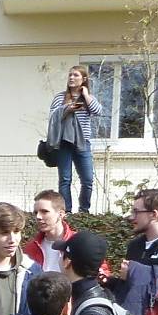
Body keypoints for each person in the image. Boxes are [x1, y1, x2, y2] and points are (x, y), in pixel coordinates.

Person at [46, 65, 103, 215]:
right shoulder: (60, 97)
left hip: (83, 142)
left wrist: (86, 94)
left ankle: (84, 211)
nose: (71, 78)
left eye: (76, 75)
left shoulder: (88, 98)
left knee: (88, 179)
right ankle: (67, 211)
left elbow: (98, 111)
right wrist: (67, 109)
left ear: (83, 79)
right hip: (64, 142)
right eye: (70, 75)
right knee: (65, 179)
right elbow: (52, 116)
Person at [23, 188, 75, 276]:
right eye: (36, 213)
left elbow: (100, 273)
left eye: (44, 211)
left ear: (61, 214)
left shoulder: (78, 243)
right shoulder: (31, 248)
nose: (38, 217)